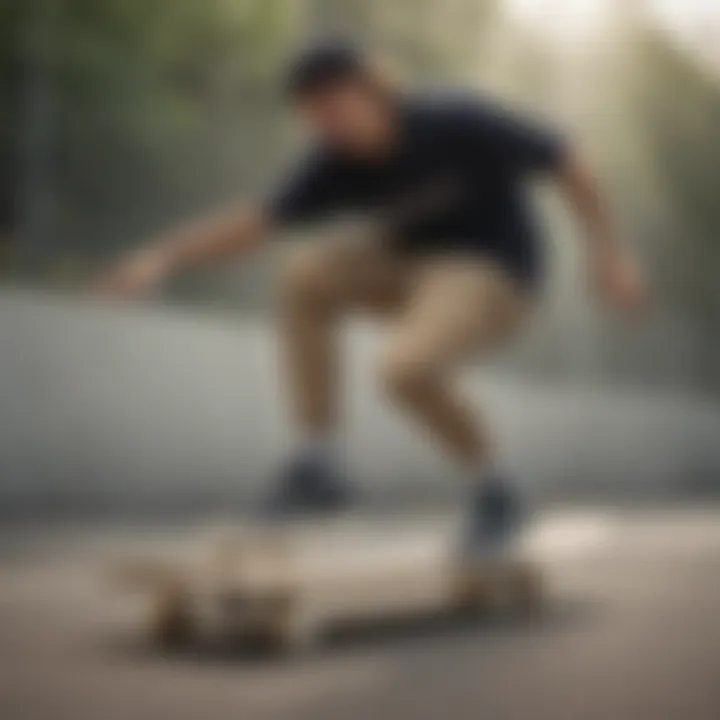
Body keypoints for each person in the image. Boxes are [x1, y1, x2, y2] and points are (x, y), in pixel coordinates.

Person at [96, 41, 647, 552]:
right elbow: (256, 222)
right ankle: (318, 464)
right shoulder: (332, 162)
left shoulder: (455, 120)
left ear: (373, 87)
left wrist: (608, 253)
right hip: (409, 269)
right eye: (311, 111)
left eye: (335, 103)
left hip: (494, 272)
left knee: (403, 370)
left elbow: (570, 161)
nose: (326, 121)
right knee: (305, 274)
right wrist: (162, 256)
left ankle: (496, 489)